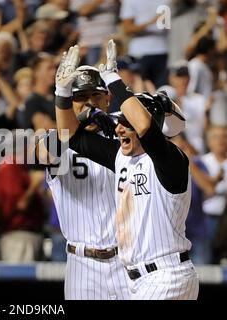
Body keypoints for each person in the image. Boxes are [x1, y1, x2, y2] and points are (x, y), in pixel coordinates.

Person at [54, 42, 198, 299]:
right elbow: (70, 136)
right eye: (119, 122)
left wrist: (113, 79)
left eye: (125, 123)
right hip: (138, 278)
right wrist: (62, 92)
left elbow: (145, 127)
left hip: (167, 275)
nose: (119, 129)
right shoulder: (121, 156)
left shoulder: (169, 158)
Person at [35, 65, 129, 299]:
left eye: (95, 95)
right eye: (79, 97)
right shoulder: (54, 140)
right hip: (82, 263)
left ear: (107, 99)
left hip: (127, 260)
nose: (89, 103)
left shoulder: (126, 139)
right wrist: (66, 109)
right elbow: (44, 153)